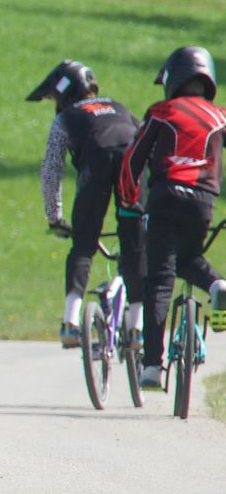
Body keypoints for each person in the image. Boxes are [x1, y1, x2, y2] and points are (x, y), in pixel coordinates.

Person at [117, 45, 226, 391]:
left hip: (165, 199)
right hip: (203, 201)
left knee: (159, 279)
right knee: (189, 257)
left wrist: (130, 200)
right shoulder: (220, 117)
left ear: (171, 79)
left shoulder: (161, 112)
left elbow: (132, 162)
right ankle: (216, 285)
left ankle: (151, 366)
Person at [26, 60, 145, 349]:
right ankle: (138, 329)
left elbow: (52, 169)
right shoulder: (120, 108)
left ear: (64, 92)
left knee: (83, 243)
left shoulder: (66, 117)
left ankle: (71, 322)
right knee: (134, 244)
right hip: (134, 167)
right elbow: (147, 139)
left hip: (96, 165)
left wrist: (54, 217)